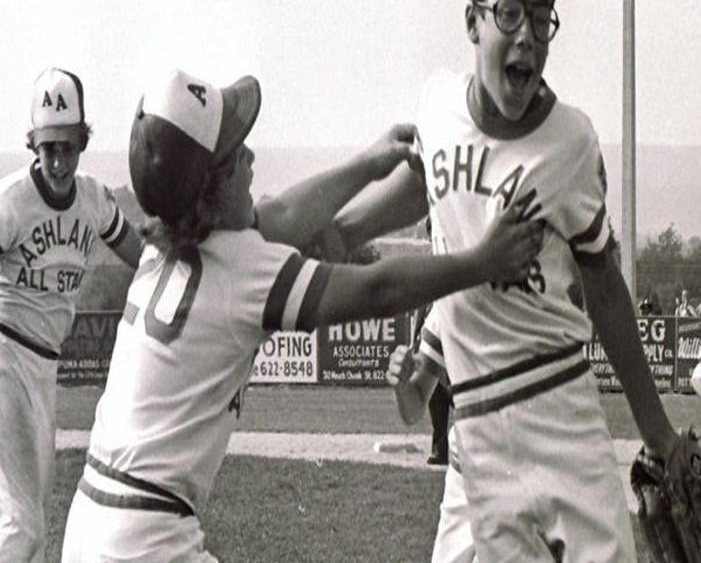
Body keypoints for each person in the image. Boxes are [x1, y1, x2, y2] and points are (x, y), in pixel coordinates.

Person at [60, 69, 543, 562]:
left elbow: (284, 215)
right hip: (147, 538)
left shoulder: (166, 242)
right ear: (214, 187)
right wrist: (482, 261)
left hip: (92, 520)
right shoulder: (245, 270)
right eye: (236, 154)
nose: (250, 158)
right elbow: (378, 290)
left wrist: (368, 163)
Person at [330, 0, 682, 561]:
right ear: (472, 19)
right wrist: (333, 233)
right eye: (508, 10)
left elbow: (603, 286)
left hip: (563, 426)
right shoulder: (436, 106)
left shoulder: (570, 142)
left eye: (541, 14)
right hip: (477, 446)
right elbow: (426, 188)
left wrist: (657, 431)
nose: (527, 33)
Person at [0, 68, 143, 562]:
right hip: (4, 354)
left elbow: (140, 252)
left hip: (43, 366)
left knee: (32, 510)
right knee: (22, 524)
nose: (58, 161)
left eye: (68, 147)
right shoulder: (11, 202)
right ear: (33, 146)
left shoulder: (92, 199)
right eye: (48, 148)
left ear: (83, 141)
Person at [389, 311, 476, 563]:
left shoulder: (536, 295)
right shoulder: (447, 306)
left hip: (517, 480)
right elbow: (414, 405)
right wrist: (402, 384)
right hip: (464, 481)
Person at [412, 302, 451, 465]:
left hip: (454, 336)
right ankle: (439, 450)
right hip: (433, 337)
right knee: (436, 395)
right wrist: (414, 338)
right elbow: (420, 308)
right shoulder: (429, 286)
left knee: (458, 391)